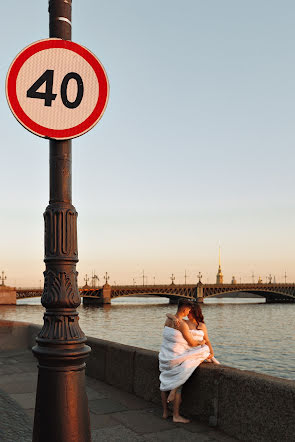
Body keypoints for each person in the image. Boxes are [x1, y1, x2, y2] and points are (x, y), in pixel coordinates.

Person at [159, 299, 210, 423]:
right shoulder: (182, 324)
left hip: (165, 356)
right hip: (176, 358)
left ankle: (165, 413)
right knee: (179, 381)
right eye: (188, 310)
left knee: (164, 383)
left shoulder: (169, 320)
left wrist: (171, 315)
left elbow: (168, 316)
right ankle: (176, 415)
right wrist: (202, 342)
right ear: (184, 309)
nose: (188, 312)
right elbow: (192, 343)